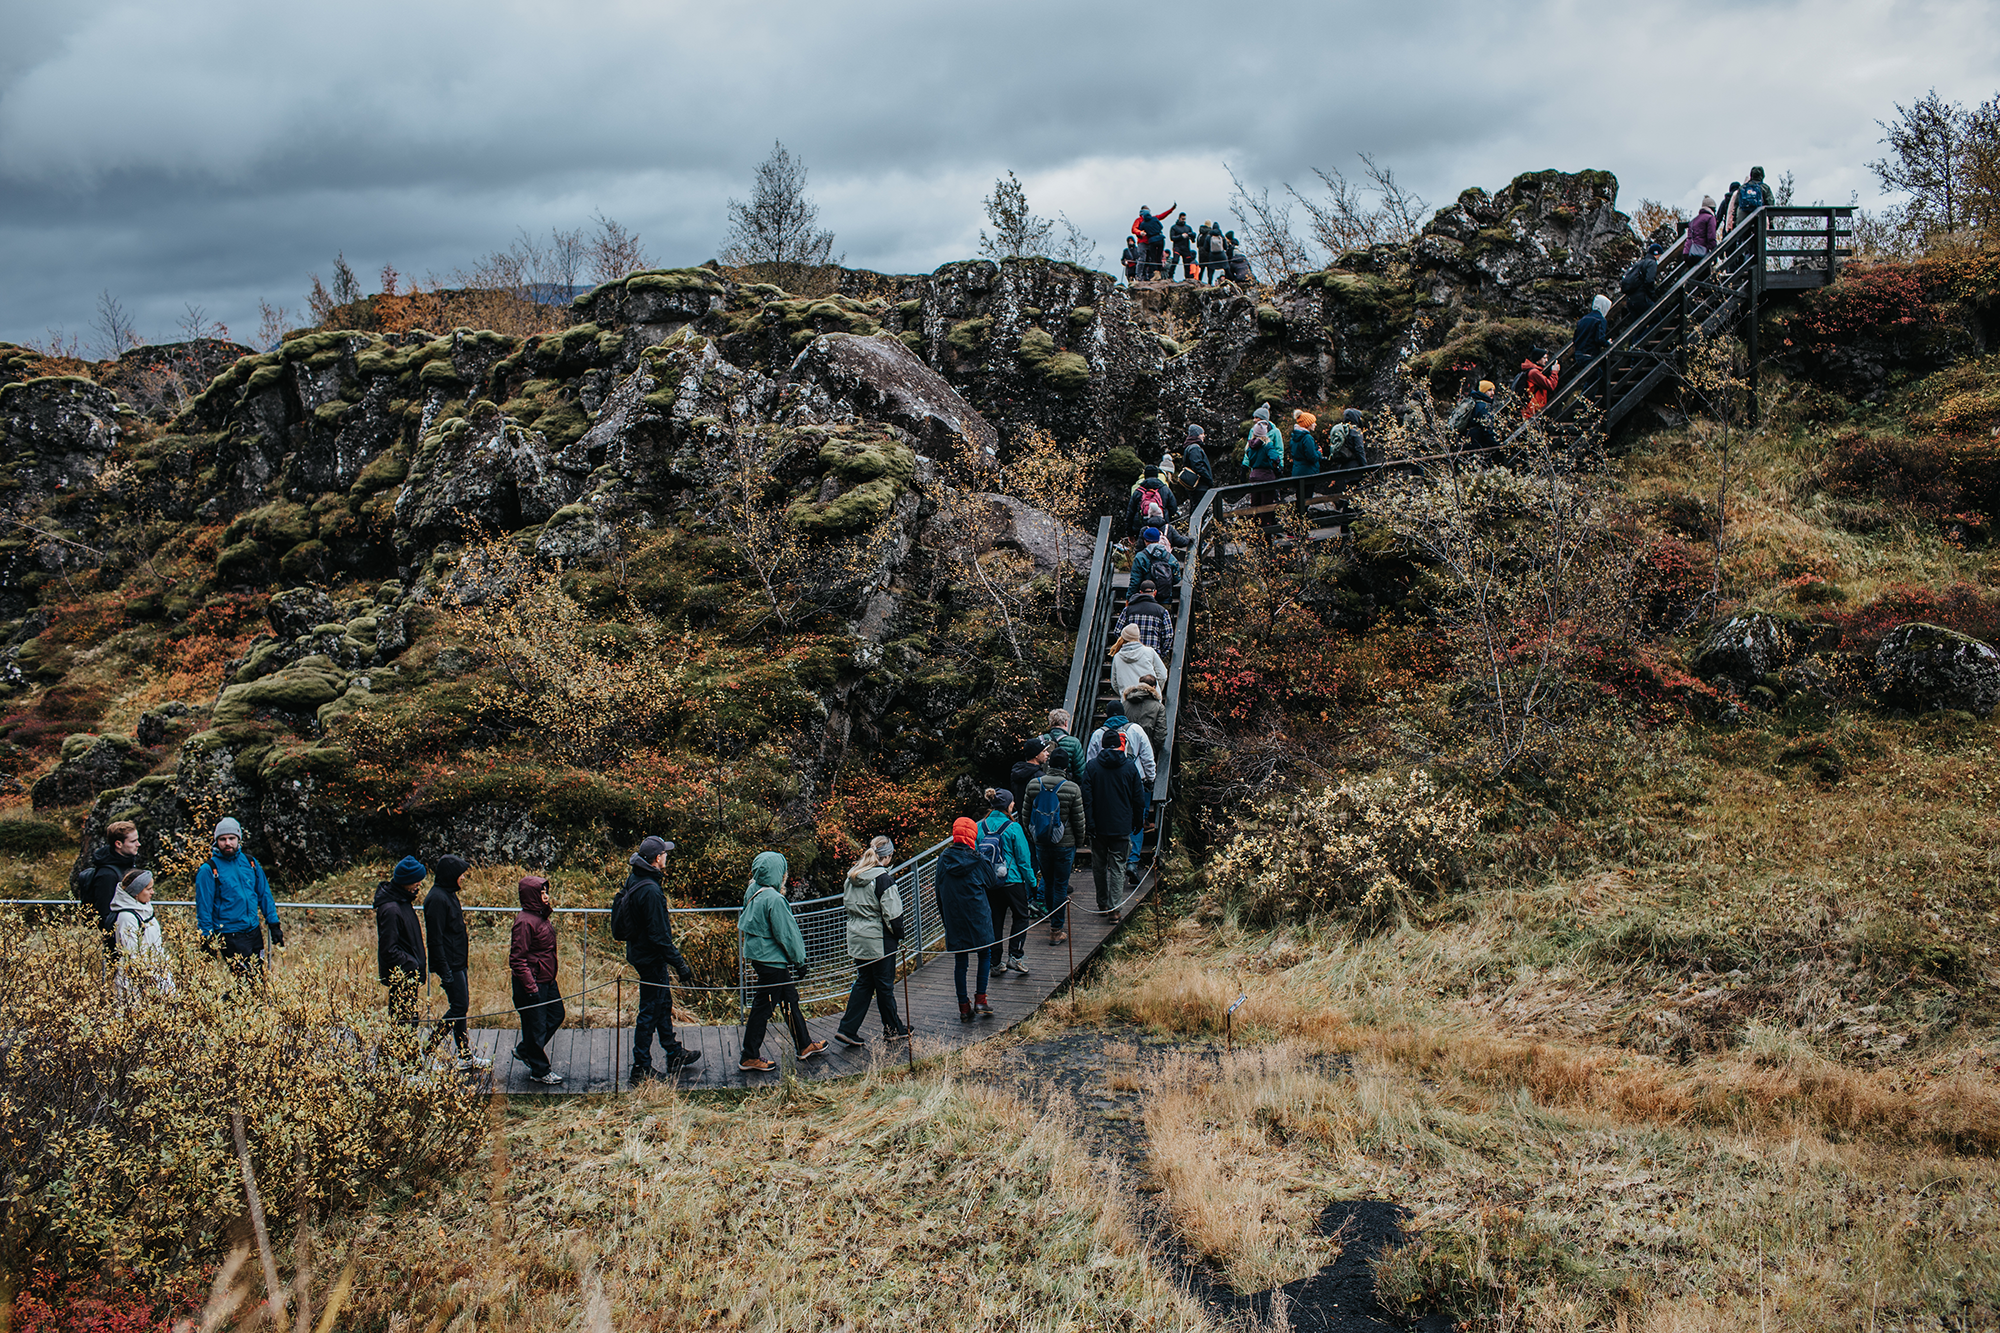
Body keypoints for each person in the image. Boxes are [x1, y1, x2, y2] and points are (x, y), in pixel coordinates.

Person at [619, 834, 700, 1082]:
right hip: (650, 957)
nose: (667, 856)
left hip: (641, 953)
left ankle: (673, 1052)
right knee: (650, 1010)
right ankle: (641, 1066)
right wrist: (680, 963)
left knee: (662, 1003)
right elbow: (659, 935)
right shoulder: (652, 891)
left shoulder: (636, 878)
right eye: (665, 853)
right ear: (657, 858)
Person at [739, 851, 823, 1072]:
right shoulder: (775, 900)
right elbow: (787, 934)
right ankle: (749, 1055)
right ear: (779, 873)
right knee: (763, 1008)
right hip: (771, 960)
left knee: (789, 1000)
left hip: (759, 956)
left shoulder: (753, 890)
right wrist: (800, 961)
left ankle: (804, 1044)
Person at [834, 836, 909, 1048]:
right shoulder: (883, 879)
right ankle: (893, 1030)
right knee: (884, 986)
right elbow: (892, 914)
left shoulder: (852, 877)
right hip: (879, 940)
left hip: (857, 938)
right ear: (888, 856)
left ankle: (847, 1028)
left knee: (865, 982)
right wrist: (899, 934)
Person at [420, 854, 488, 1071]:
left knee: (461, 1008)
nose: (462, 879)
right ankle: (428, 1051)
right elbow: (435, 939)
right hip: (450, 963)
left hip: (458, 961)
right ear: (451, 875)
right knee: (458, 1007)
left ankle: (465, 1055)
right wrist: (444, 969)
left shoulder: (448, 894)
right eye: (460, 875)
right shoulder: (437, 899)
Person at [194, 817, 284, 971]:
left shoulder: (250, 863)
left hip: (253, 930)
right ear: (216, 841)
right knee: (245, 983)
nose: (227, 843)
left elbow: (264, 894)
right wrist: (206, 938)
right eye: (222, 839)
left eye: (231, 838)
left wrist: (274, 924)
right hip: (230, 934)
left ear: (238, 839)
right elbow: (204, 908)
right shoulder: (209, 870)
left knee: (257, 979)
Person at [936, 818, 998, 1021]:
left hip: (954, 916)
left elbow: (938, 890)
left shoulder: (943, 859)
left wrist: (945, 918)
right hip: (978, 915)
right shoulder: (978, 859)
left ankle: (963, 1006)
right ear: (973, 835)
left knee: (960, 961)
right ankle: (981, 999)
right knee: (984, 954)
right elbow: (992, 882)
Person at [1082, 727, 1146, 913]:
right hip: (1121, 824)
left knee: (1099, 866)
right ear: (1119, 745)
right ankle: (1115, 908)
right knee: (1118, 866)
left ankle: (1102, 901)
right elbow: (1138, 798)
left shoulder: (1092, 767)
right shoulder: (1129, 767)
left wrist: (1090, 822)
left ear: (1102, 745)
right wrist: (1137, 821)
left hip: (1099, 825)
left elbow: (1087, 798)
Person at [1023, 750, 1083, 945]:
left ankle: (1051, 916)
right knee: (1060, 884)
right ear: (1065, 767)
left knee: (1048, 882)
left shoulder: (1034, 785)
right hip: (1064, 844)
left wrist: (1034, 836)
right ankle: (1056, 930)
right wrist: (1079, 841)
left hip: (1041, 843)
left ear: (1049, 764)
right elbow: (1078, 820)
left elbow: (1025, 814)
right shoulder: (1072, 789)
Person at [1085, 709, 1158, 872]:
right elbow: (1147, 755)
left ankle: (1112, 858)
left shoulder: (1098, 734)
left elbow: (1090, 759)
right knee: (1137, 818)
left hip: (1103, 785)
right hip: (1135, 780)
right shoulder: (1136, 729)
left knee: (1109, 816)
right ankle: (1132, 860)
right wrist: (1151, 778)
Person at [510, 874, 565, 1085]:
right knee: (536, 1026)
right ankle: (540, 1070)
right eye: (541, 892)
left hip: (546, 980)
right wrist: (531, 988)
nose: (546, 895)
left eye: (545, 891)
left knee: (557, 1015)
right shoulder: (524, 923)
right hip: (532, 983)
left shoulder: (540, 917)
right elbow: (517, 959)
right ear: (532, 895)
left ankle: (525, 1050)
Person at [978, 789, 1038, 978]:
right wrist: (1033, 883)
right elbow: (1023, 860)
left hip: (990, 882)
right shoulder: (1013, 828)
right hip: (1012, 881)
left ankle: (995, 962)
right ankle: (1015, 955)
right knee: (1021, 916)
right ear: (1008, 805)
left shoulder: (980, 826)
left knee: (996, 921)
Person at [373, 857, 428, 1038]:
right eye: (416, 880)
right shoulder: (391, 908)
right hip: (402, 974)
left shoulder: (403, 901)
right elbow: (388, 948)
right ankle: (401, 1060)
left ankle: (407, 1058)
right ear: (405, 881)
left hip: (409, 974)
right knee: (402, 1021)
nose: (419, 884)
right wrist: (411, 964)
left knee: (408, 1020)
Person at [109, 868, 172, 998]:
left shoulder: (146, 910)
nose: (152, 892)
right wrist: (146, 981)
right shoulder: (127, 917)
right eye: (148, 889)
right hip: (137, 980)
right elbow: (131, 954)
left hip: (157, 972)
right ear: (136, 892)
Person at [83, 819, 140, 952]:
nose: (138, 844)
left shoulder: (127, 865)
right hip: (118, 943)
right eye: (133, 841)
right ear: (118, 844)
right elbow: (105, 914)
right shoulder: (107, 875)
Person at [1242, 403, 1284, 517]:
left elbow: (1279, 450)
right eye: (1254, 417)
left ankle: (1269, 525)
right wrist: (1245, 465)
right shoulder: (1254, 430)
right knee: (1263, 502)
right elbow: (1249, 449)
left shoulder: (1275, 432)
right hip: (1260, 470)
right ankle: (1266, 528)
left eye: (1257, 417)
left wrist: (1279, 467)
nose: (1254, 420)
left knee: (1270, 499)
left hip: (1268, 470)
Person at [1573, 295, 1612, 405]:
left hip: (1579, 354)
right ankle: (1586, 405)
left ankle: (1584, 403)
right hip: (1589, 354)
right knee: (1596, 377)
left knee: (1593, 377)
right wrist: (1607, 343)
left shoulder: (1583, 319)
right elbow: (1599, 338)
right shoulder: (1600, 320)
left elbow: (1575, 338)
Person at [1117, 579, 1175, 653]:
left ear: (1140, 592)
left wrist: (1126, 645)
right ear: (1155, 593)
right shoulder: (1162, 611)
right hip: (1152, 654)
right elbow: (1168, 636)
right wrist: (1161, 652)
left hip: (1131, 652)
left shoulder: (1128, 610)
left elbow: (1118, 631)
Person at [1110, 622, 1168, 695]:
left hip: (1128, 700)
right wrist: (1155, 690)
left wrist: (1124, 694)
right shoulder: (1149, 652)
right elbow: (1162, 675)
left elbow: (1114, 683)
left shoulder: (1117, 657)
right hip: (1150, 698)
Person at [1130, 528, 1181, 604]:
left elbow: (1135, 581)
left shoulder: (1141, 556)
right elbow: (1177, 578)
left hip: (1145, 599)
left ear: (1145, 541)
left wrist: (1130, 598)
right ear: (1158, 540)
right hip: (1165, 598)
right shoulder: (1169, 556)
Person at [1126, 465, 1176, 539]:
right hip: (1161, 525)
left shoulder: (1138, 491)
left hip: (1142, 528)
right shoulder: (1165, 489)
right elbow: (1173, 508)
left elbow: (1130, 512)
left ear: (1145, 476)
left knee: (1143, 548)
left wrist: (1130, 533)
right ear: (1157, 475)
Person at [1123, 676, 1167, 759]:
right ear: (1154, 687)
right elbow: (1160, 733)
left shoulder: (1125, 703)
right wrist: (1155, 749)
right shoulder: (1158, 707)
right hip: (1146, 748)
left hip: (1125, 745)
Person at [1009, 736, 1049, 815]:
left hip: (1021, 817)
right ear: (1036, 755)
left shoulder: (1017, 772)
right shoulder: (1040, 777)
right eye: (1044, 751)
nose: (1047, 754)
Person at [1621, 242, 1663, 317]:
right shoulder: (1652, 263)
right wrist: (1653, 297)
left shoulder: (1640, 262)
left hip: (1631, 300)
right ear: (1657, 254)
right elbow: (1649, 281)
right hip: (1642, 299)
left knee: (1639, 326)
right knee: (1657, 320)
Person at [1517, 349, 1558, 418]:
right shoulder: (1534, 372)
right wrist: (1554, 372)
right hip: (1531, 410)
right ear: (1538, 359)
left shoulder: (1534, 371)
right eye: (1544, 358)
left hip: (1533, 409)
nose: (1547, 360)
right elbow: (1551, 386)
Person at [1046, 708, 1087, 777]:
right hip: (1064, 782)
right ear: (1065, 723)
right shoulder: (1074, 742)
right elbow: (1080, 771)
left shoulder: (1040, 739)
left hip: (1043, 783)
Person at [1177, 423, 1214, 499]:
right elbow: (1198, 466)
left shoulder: (1189, 447)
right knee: (1199, 508)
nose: (1203, 436)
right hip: (1200, 486)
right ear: (1196, 435)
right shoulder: (1195, 448)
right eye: (1201, 433)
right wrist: (1209, 480)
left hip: (1195, 485)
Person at [1729, 167, 1770, 231]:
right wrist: (1771, 221)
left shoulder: (1743, 188)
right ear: (1762, 175)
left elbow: (1736, 204)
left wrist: (1734, 221)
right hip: (1759, 219)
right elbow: (1770, 203)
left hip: (1743, 219)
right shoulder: (1764, 188)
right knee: (1759, 238)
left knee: (1744, 239)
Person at [1289, 410, 1323, 479]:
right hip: (1308, 473)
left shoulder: (1294, 437)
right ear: (1308, 424)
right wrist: (1319, 453)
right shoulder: (1307, 438)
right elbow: (1312, 457)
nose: (1315, 424)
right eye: (1313, 422)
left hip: (1297, 472)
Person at [1686, 197, 1719, 262]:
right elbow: (1711, 237)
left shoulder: (1693, 220)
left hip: (1690, 253)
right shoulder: (1710, 218)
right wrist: (1715, 255)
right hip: (1702, 253)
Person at [1169, 212, 1197, 282]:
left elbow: (1193, 239)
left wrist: (1192, 235)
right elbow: (1172, 238)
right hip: (1177, 247)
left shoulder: (1188, 228)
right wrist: (1181, 236)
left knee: (1187, 263)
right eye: (1182, 219)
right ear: (1179, 218)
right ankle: (1170, 276)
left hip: (1186, 247)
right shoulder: (1174, 227)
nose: (1183, 220)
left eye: (1184, 219)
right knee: (1175, 261)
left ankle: (1187, 278)